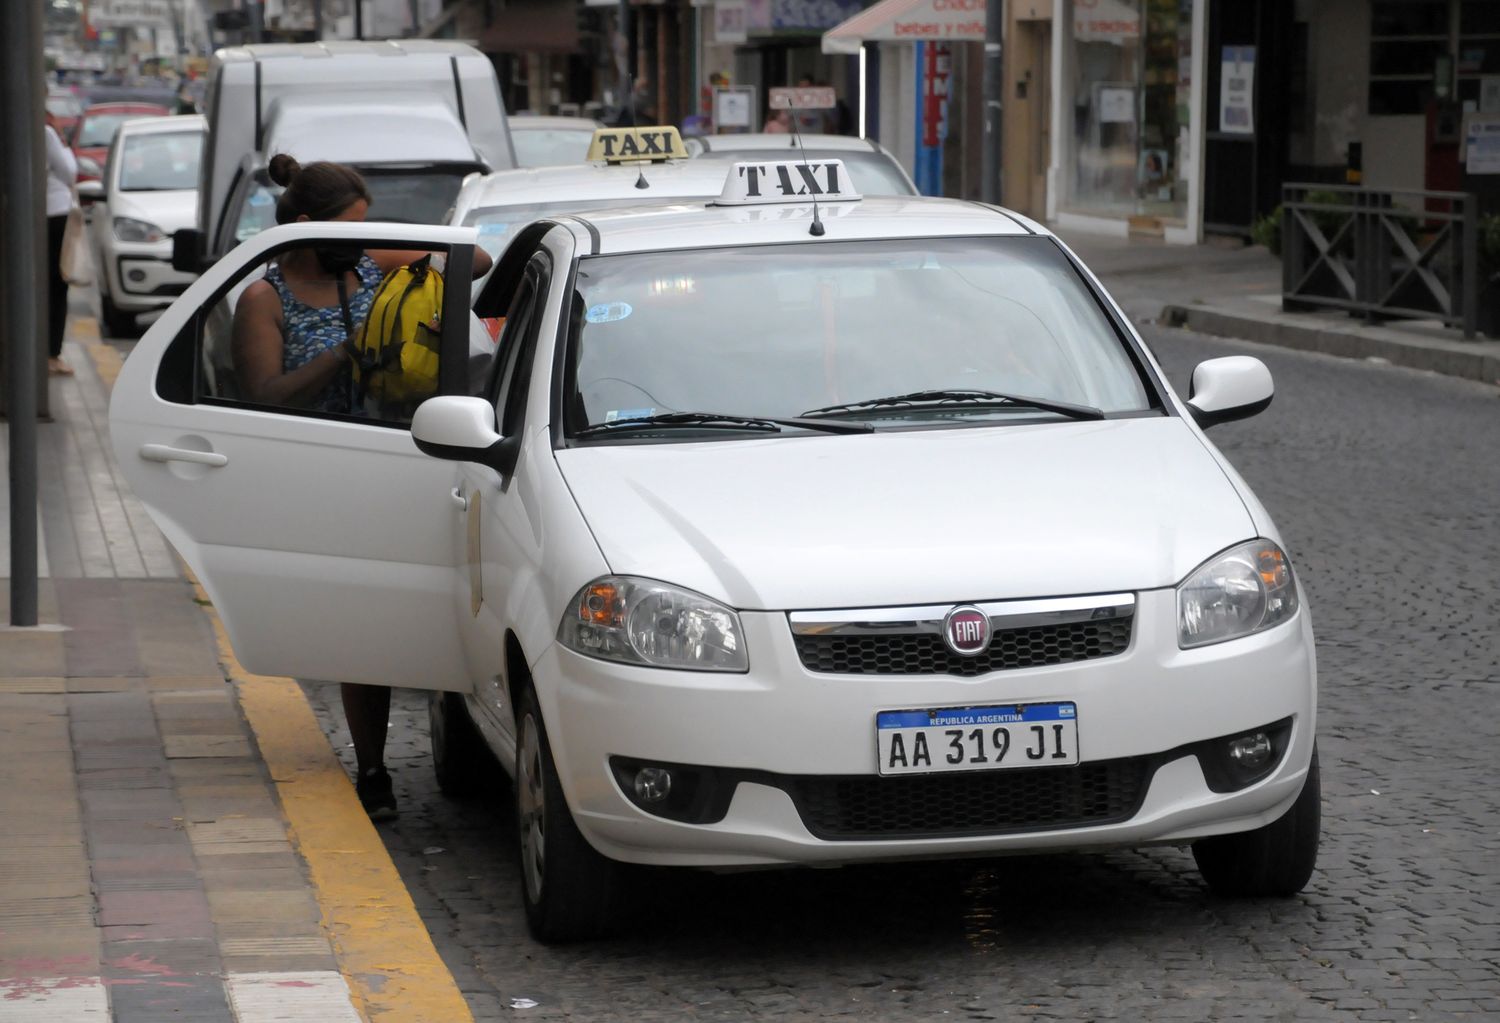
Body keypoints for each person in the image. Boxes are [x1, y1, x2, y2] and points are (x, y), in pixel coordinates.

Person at [231, 154, 492, 819]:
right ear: (304, 226)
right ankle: (373, 766)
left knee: (433, 609)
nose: (358, 241)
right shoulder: (265, 297)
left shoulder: (369, 261)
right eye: (346, 230)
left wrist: (401, 260)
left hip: (404, 454)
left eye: (364, 228)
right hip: (324, 470)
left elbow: (480, 262)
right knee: (364, 629)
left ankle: (464, 740)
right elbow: (264, 394)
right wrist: (344, 353)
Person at [44, 111, 77, 376]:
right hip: (56, 216)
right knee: (58, 285)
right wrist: (64, 144)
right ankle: (52, 354)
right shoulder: (47, 133)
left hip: (39, 217)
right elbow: (69, 172)